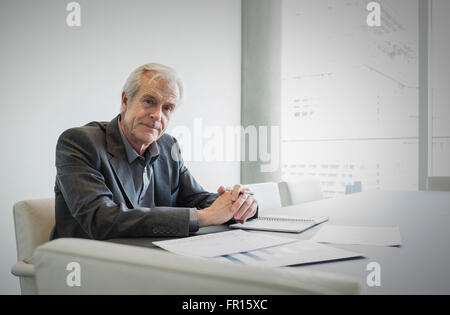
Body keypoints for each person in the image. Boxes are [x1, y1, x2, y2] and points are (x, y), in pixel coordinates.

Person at [51, 63, 258, 240]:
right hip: (89, 263)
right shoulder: (79, 142)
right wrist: (205, 217)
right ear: (125, 101)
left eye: (167, 108)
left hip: (150, 258)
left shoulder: (168, 147)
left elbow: (197, 199)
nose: (157, 115)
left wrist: (237, 202)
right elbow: (101, 219)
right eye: (149, 101)